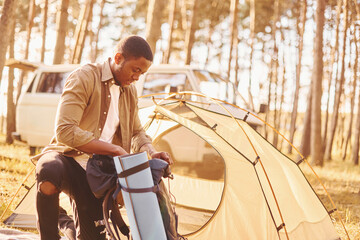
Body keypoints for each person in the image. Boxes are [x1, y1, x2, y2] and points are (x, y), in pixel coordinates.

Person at [33, 35, 172, 240]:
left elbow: (136, 132)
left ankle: (65, 222)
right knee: (48, 172)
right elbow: (65, 130)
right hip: (68, 159)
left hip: (98, 171)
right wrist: (114, 150)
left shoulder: (130, 91)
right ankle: (49, 236)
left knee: (91, 237)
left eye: (142, 73)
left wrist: (152, 152)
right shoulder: (85, 77)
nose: (137, 77)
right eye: (135, 70)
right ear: (118, 58)